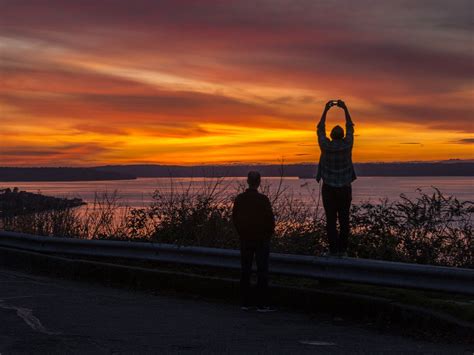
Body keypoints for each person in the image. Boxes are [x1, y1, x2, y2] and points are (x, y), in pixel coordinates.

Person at [316, 100, 356, 256]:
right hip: (345, 189)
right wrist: (345, 108)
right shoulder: (347, 145)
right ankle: (343, 250)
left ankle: (333, 251)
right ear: (343, 136)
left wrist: (325, 110)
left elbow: (320, 129)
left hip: (329, 189)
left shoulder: (325, 146)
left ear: (331, 136)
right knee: (344, 220)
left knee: (331, 221)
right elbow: (350, 126)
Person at [232, 171, 275, 312]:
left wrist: (241, 233)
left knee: (246, 270)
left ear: (247, 181)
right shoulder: (263, 199)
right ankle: (261, 304)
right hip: (261, 240)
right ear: (259, 182)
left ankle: (245, 302)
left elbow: (235, 219)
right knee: (262, 271)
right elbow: (270, 220)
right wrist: (268, 234)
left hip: (245, 239)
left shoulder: (240, 198)